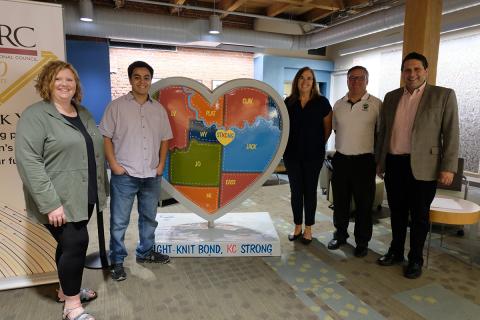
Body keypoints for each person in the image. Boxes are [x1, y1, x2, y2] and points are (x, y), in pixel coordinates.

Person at [15, 60, 108, 320]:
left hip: (84, 193)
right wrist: (50, 203)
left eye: (70, 79)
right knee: (77, 243)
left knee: (69, 246)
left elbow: (92, 150)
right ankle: (72, 306)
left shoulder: (83, 112)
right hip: (57, 198)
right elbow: (28, 161)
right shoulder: (36, 116)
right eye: (58, 79)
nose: (65, 84)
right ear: (48, 82)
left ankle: (67, 290)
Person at [376, 52, 459, 279]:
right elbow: (384, 132)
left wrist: (448, 167)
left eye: (416, 69)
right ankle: (395, 251)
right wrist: (380, 161)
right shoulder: (391, 97)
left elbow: (451, 133)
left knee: (420, 216)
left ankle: (415, 259)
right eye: (407, 70)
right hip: (395, 163)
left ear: (426, 71)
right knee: (397, 213)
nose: (411, 74)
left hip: (424, 166)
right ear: (402, 73)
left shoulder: (443, 96)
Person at [99, 61, 173, 281]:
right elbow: (106, 137)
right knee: (119, 221)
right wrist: (113, 165)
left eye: (147, 77)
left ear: (151, 80)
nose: (142, 81)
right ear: (130, 80)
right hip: (125, 175)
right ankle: (118, 261)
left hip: (151, 174)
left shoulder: (158, 109)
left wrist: (160, 165)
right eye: (137, 77)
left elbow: (165, 139)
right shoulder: (116, 106)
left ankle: (146, 252)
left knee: (149, 218)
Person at [327, 66, 382, 257]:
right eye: (352, 78)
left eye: (360, 78)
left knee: (363, 205)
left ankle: (362, 242)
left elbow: (380, 134)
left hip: (364, 162)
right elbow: (336, 130)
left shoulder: (376, 104)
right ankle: (340, 235)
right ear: (347, 80)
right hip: (341, 160)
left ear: (367, 80)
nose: (355, 81)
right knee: (340, 202)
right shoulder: (338, 104)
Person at [283, 66, 333, 245]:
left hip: (313, 156)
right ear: (297, 80)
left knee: (309, 192)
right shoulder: (288, 102)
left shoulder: (322, 102)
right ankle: (297, 226)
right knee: (296, 192)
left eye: (309, 78)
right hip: (292, 155)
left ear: (314, 82)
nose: (305, 81)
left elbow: (327, 129)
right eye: (302, 78)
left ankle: (309, 229)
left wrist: (316, 144)